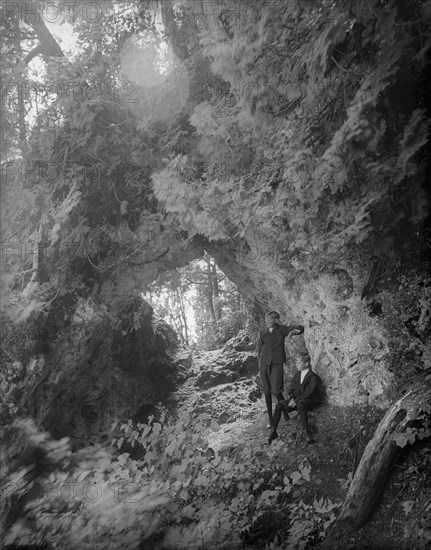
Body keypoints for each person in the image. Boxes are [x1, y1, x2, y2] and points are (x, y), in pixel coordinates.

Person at [257, 311, 304, 428]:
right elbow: (259, 350)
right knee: (267, 391)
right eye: (266, 320)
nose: (267, 322)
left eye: (269, 320)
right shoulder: (263, 333)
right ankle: (271, 420)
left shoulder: (282, 329)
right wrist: (260, 365)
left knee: (276, 390)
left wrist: (293, 331)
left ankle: (286, 413)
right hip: (264, 364)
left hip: (277, 363)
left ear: (276, 320)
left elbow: (300, 328)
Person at [268, 352, 323, 444]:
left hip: (310, 401)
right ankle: (273, 431)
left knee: (301, 403)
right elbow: (292, 390)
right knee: (279, 405)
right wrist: (292, 400)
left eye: (298, 362)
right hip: (297, 400)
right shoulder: (297, 375)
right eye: (296, 362)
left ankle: (307, 433)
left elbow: (308, 393)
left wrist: (295, 401)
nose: (296, 364)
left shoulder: (312, 377)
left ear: (306, 364)